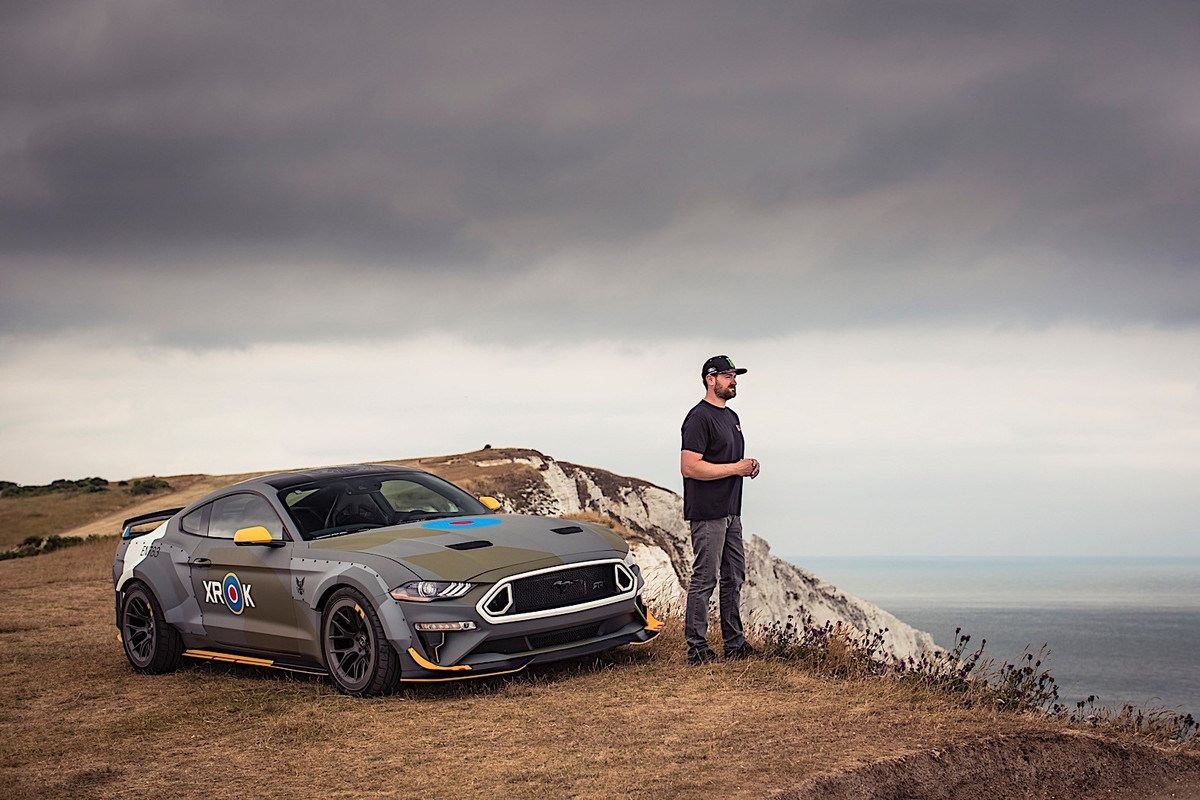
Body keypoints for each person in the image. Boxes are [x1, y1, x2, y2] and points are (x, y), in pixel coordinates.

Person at [680, 355, 761, 665]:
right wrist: (734, 468)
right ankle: (697, 650)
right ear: (709, 379)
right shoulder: (699, 418)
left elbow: (728, 463)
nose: (733, 380)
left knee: (734, 576)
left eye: (735, 375)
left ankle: (735, 644)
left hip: (731, 511)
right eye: (727, 376)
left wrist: (747, 466)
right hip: (708, 512)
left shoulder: (731, 417)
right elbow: (690, 467)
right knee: (705, 579)